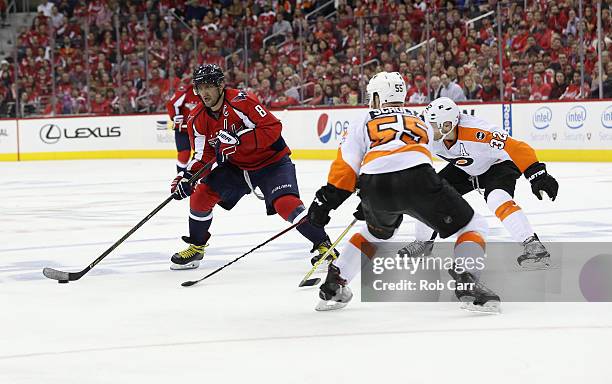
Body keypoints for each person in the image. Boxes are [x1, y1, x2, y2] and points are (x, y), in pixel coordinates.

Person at [307, 72, 499, 313]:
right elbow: (414, 157)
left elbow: (346, 167)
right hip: (419, 179)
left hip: (376, 185)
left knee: (371, 233)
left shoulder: (362, 120)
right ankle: (467, 282)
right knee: (473, 226)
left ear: (377, 97)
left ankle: (334, 285)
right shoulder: (421, 121)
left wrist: (327, 202)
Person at [169, 64, 337, 270]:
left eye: (209, 86)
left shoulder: (242, 101)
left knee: (286, 204)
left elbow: (272, 128)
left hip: (272, 162)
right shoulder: (196, 118)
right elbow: (204, 155)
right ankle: (196, 247)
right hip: (238, 166)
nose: (204, 93)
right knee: (201, 195)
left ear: (221, 85)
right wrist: (188, 177)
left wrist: (239, 140)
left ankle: (324, 246)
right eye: (200, 88)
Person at [398, 97, 559, 268]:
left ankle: (533, 245)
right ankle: (423, 244)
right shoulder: (428, 135)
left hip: (498, 164)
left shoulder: (477, 131)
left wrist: (538, 175)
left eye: (432, 124)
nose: (427, 128)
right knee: (429, 194)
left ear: (447, 125)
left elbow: (517, 147)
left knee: (497, 198)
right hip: (464, 167)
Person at [166, 82, 201, 173]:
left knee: (204, 156)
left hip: (202, 131)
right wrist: (174, 116)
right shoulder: (186, 91)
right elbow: (171, 104)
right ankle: (180, 177)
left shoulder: (212, 92)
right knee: (184, 155)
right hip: (184, 130)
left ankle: (202, 181)